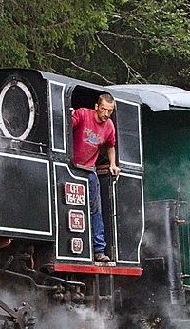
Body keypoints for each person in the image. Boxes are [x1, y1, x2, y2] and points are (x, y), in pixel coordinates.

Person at [72, 93, 119, 263]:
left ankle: (98, 249)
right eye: (104, 109)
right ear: (97, 107)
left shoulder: (109, 126)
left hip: (89, 170)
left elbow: (111, 146)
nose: (106, 114)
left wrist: (113, 164)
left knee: (95, 210)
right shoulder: (82, 114)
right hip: (70, 167)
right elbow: (65, 127)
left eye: (110, 111)